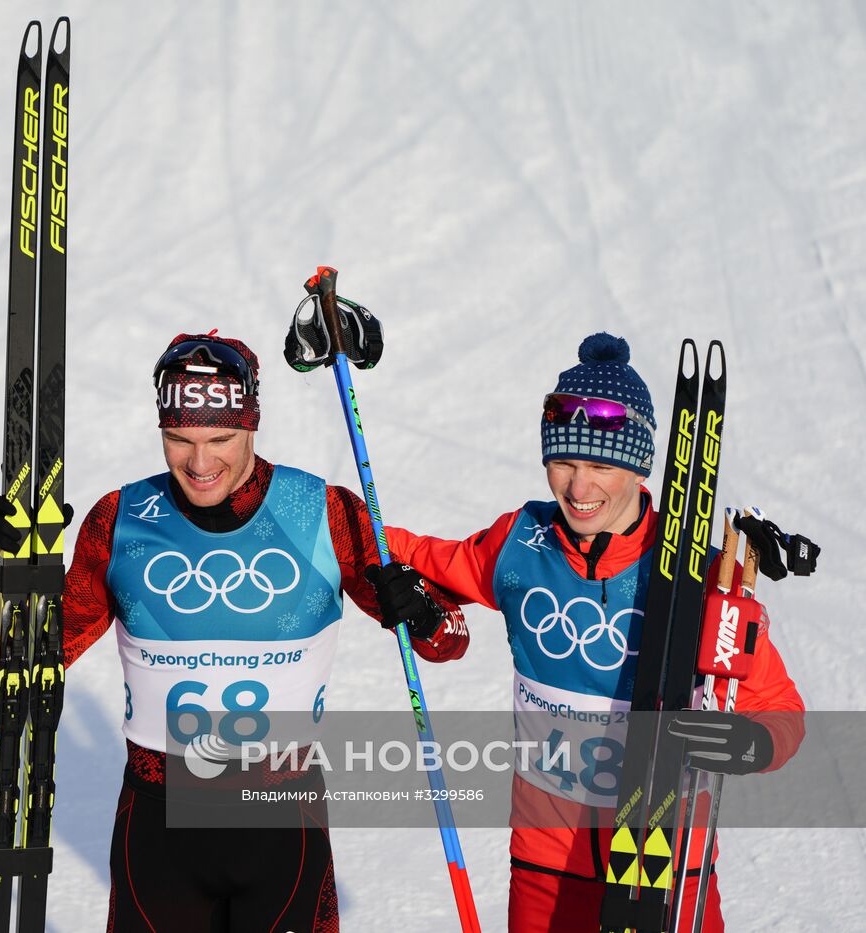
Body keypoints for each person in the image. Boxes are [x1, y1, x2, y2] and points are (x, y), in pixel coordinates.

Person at [314, 333, 806, 933]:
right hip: (547, 860)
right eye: (564, 461)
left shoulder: (696, 580)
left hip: (665, 859)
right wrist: (331, 517)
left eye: (601, 465)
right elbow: (422, 558)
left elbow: (782, 710)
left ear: (638, 466)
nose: (578, 487)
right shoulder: (521, 544)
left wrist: (753, 743)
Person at [0, 332, 470, 932]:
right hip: (157, 818)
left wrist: (420, 606)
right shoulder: (120, 518)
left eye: (220, 438)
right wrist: (27, 575)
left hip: (281, 816)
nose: (199, 462)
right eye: (179, 439)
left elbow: (448, 640)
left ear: (252, 424)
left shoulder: (323, 510)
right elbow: (47, 649)